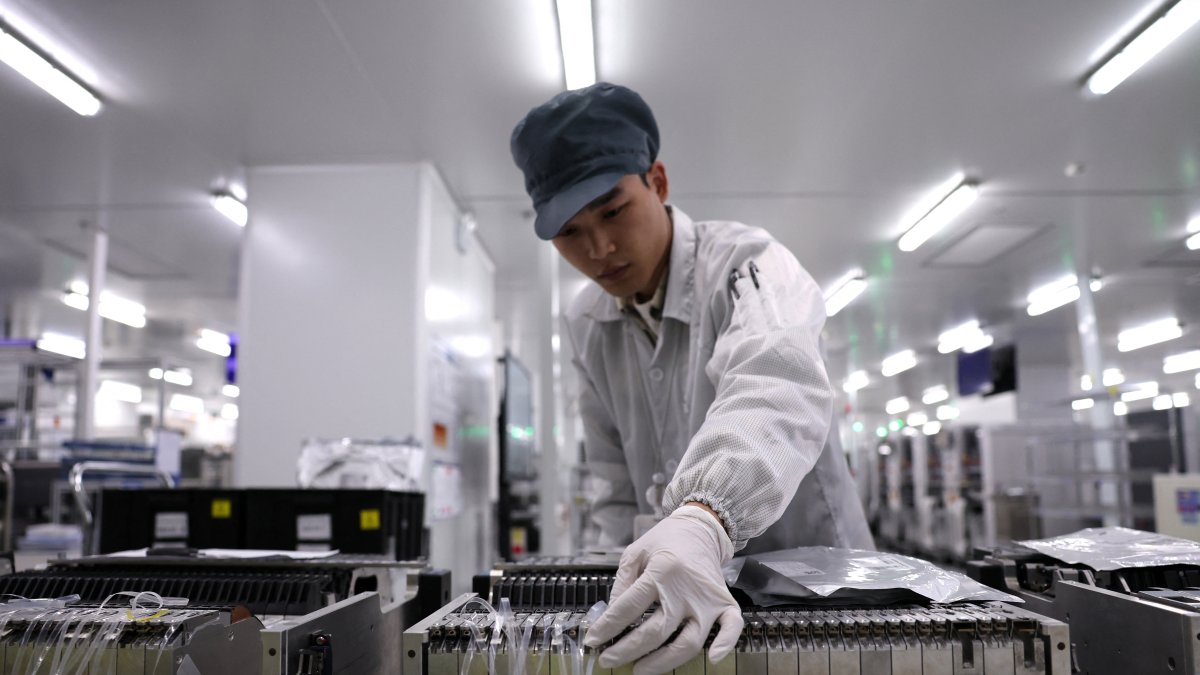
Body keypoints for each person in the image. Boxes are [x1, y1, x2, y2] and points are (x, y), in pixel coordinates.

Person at [510, 82, 874, 675]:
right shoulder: (585, 321)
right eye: (570, 233)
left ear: (657, 182)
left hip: (817, 604)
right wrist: (625, 582)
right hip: (682, 611)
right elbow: (614, 484)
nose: (599, 247)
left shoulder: (749, 265)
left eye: (612, 210)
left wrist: (706, 517)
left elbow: (777, 381)